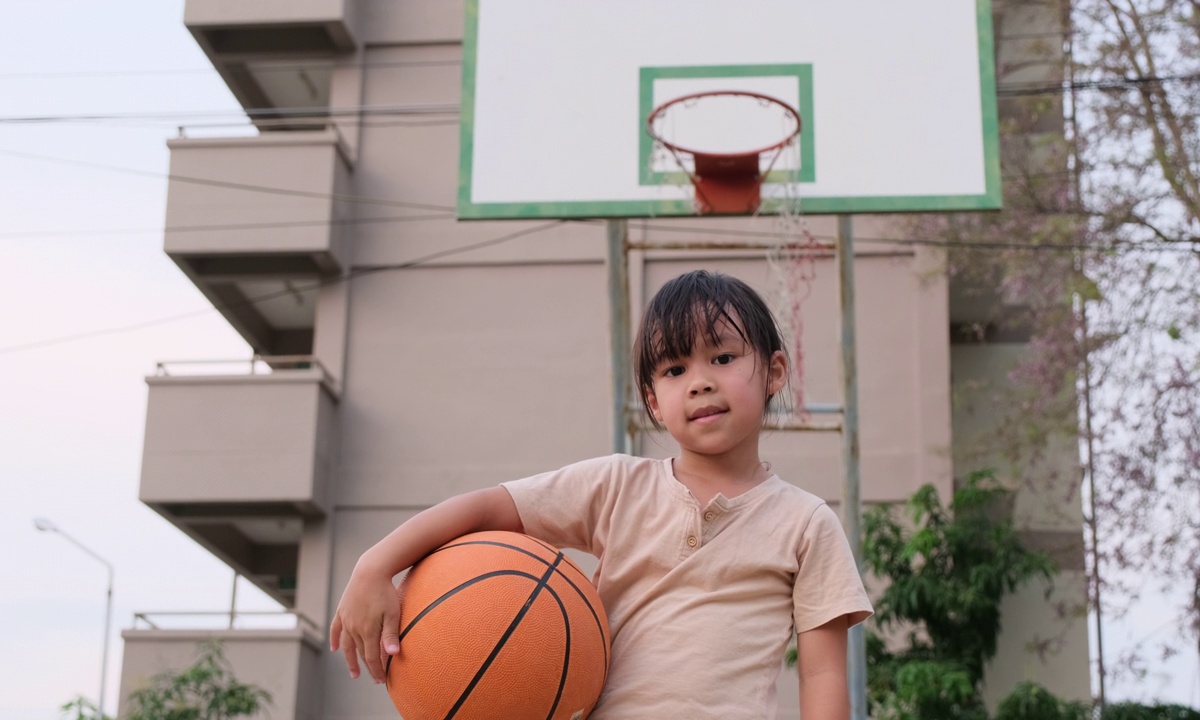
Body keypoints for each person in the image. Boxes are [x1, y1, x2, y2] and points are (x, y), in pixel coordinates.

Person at [330, 269, 872, 718]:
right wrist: (375, 565)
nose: (700, 381)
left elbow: (823, 671)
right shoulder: (617, 486)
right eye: (675, 368)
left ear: (775, 371)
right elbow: (490, 507)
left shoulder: (805, 522)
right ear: (653, 401)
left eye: (723, 358)